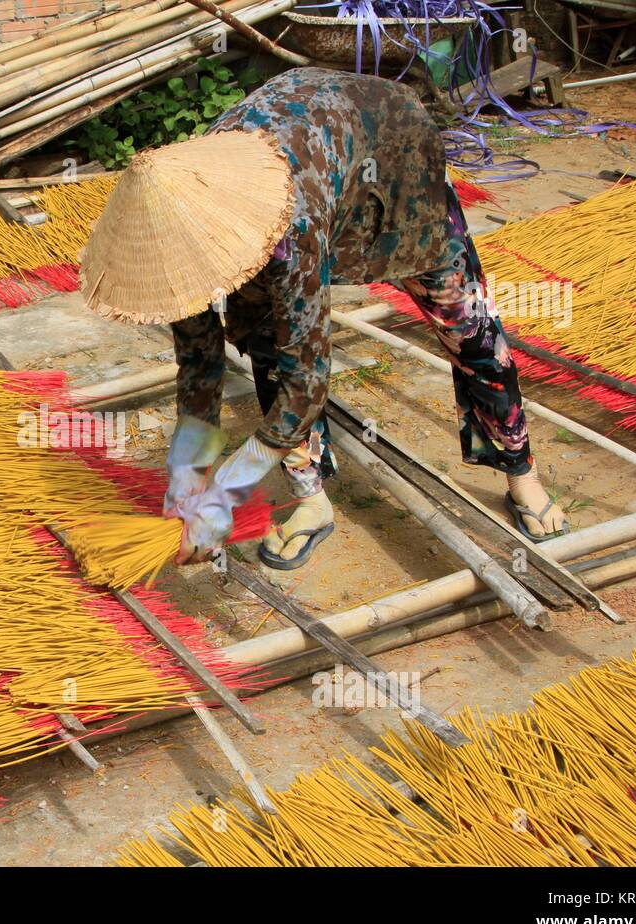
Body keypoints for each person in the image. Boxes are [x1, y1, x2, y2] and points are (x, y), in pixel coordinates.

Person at [80, 68, 568, 569]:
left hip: (391, 156)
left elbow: (308, 378)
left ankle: (521, 472)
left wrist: (227, 491)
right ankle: (310, 500)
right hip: (318, 153)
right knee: (268, 347)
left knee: (469, 329)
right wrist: (188, 487)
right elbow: (200, 367)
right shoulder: (177, 237)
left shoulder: (291, 230)